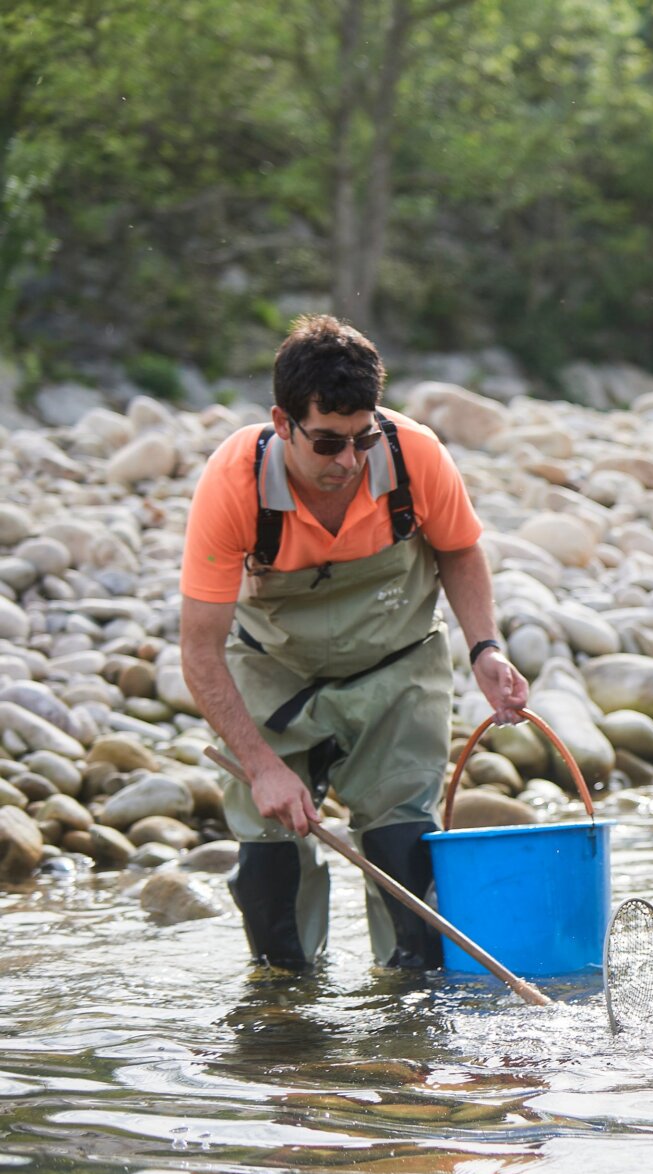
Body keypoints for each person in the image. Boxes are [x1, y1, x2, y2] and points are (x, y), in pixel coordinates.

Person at [180, 315, 529, 971]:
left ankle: (408, 1026)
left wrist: (485, 649)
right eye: (328, 442)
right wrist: (260, 765)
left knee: (404, 847)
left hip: (398, 671)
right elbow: (199, 650)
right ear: (282, 423)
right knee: (267, 861)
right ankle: (288, 1019)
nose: (348, 460)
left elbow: (459, 550)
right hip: (274, 673)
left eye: (362, 438)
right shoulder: (233, 484)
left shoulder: (413, 454)